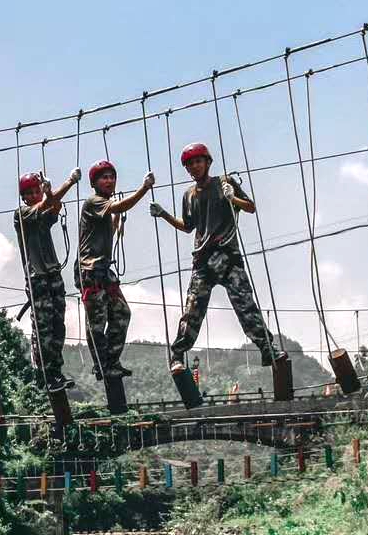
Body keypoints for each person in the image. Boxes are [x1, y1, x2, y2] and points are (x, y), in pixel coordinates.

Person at [149, 143, 276, 375]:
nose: (195, 167)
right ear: (187, 169)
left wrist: (233, 199)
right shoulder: (189, 195)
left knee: (245, 306)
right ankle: (177, 354)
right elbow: (187, 227)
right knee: (192, 310)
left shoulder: (225, 182)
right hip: (203, 261)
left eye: (198, 161)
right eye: (190, 164)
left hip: (228, 255)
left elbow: (250, 208)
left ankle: (268, 348)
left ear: (207, 162)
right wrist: (164, 214)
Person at [73, 161, 153, 379]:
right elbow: (120, 206)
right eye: (104, 178)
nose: (109, 181)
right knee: (97, 323)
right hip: (90, 271)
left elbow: (113, 218)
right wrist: (144, 189)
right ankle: (102, 364)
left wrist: (117, 219)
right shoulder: (94, 202)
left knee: (121, 313)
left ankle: (111, 361)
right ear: (95, 183)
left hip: (104, 271)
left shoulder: (105, 207)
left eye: (111, 177)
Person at [13, 167, 82, 392]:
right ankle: (43, 373)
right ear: (23, 197)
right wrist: (70, 182)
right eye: (29, 193)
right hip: (37, 277)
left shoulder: (42, 211)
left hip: (53, 274)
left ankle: (55, 371)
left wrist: (50, 191)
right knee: (43, 328)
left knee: (57, 325)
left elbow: (54, 206)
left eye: (36, 192)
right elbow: (46, 205)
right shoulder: (22, 214)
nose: (33, 196)